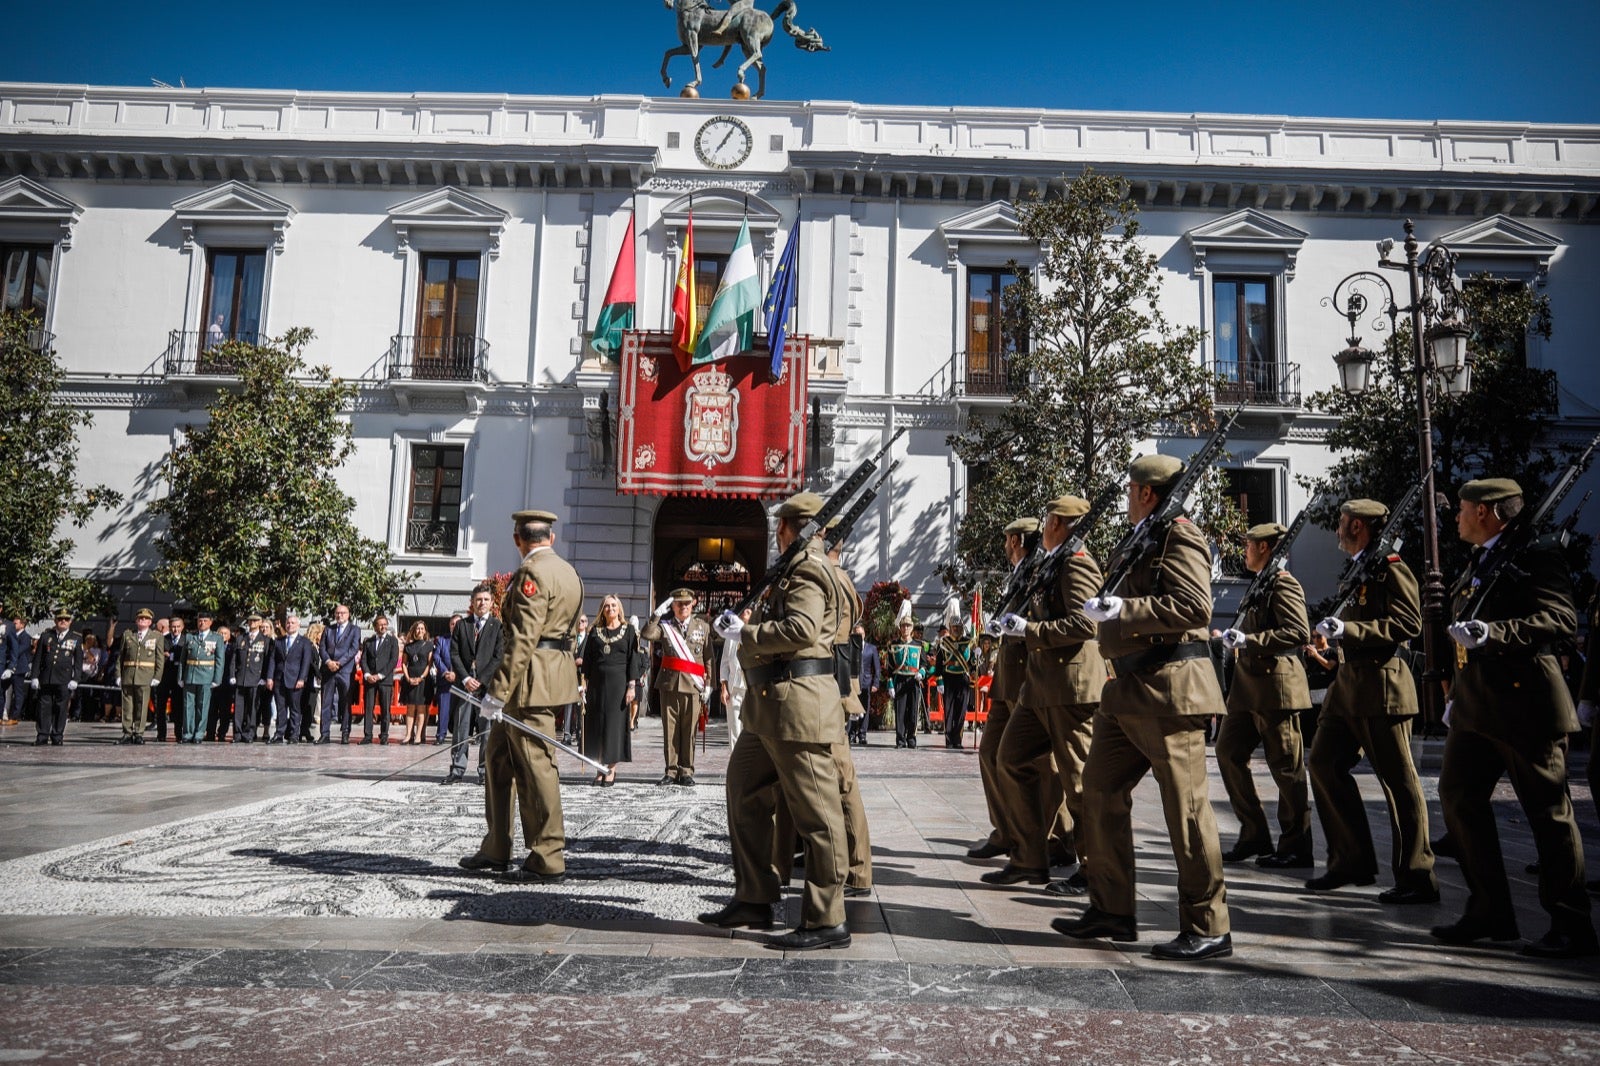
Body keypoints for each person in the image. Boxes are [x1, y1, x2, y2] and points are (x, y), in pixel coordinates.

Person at [1059, 454, 1232, 961]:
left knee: (1187, 810)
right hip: (1129, 690)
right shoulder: (1145, 538)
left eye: (1132, 490)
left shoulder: (1179, 535)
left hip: (1172, 689)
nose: (1127, 498)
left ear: (1148, 493)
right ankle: (1112, 907)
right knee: (1099, 789)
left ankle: (1209, 925)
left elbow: (1195, 605)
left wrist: (1123, 609)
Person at [1433, 478, 1597, 958]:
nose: (1458, 517)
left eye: (1463, 509)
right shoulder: (1482, 559)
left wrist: (1493, 632)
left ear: (1485, 512)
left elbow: (1560, 618)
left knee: (1549, 815)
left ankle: (1571, 925)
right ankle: (1490, 910)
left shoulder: (1535, 555)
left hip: (1527, 705)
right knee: (1458, 798)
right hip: (1477, 707)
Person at [700, 490, 851, 951]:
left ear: (794, 527)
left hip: (798, 709)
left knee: (817, 815)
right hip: (771, 709)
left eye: (780, 525)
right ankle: (755, 895)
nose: (776, 533)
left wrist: (744, 633)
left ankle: (827, 918)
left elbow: (802, 631)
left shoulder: (808, 568)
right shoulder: (791, 568)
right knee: (743, 787)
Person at [1307, 498, 1439, 905]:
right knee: (1324, 764)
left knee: (1399, 782)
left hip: (1382, 687)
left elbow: (1408, 623)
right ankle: (1351, 859)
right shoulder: (1363, 566)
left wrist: (1351, 629)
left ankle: (1418, 875)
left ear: (1359, 526)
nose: (1337, 530)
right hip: (1348, 688)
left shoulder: (1391, 567)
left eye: (1343, 523)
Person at [987, 495, 1105, 894]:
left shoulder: (1077, 564)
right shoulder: (1052, 563)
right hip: (1040, 688)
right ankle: (1028, 857)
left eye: (1049, 520)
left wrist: (1029, 631)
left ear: (1059, 524)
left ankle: (1094, 869)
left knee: (1077, 783)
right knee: (1008, 758)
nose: (1044, 528)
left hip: (1070, 688)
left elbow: (1085, 624)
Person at [459, 508, 583, 883]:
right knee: (498, 759)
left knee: (535, 766)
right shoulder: (568, 572)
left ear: (518, 539)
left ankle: (548, 854)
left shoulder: (531, 573)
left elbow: (524, 639)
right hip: (546, 677)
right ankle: (497, 845)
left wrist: (497, 692)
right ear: (551, 538)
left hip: (527, 684)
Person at [1215, 523, 1315, 870]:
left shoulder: (1283, 583)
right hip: (1248, 689)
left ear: (1266, 548)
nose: (1245, 550)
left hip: (1276, 687)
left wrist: (1249, 641)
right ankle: (1254, 832)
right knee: (1228, 752)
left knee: (1286, 768)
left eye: (1250, 545)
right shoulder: (1261, 583)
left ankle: (1296, 845)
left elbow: (1298, 632)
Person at [640, 589, 713, 786]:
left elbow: (708, 658)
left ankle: (686, 770)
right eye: (679, 604)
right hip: (670, 684)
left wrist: (709, 686)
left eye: (687, 603)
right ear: (672, 606)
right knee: (670, 730)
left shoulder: (702, 627)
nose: (683, 607)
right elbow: (646, 634)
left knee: (689, 731)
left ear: (693, 604)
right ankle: (671, 771)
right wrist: (656, 614)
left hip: (693, 686)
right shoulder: (665, 627)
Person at [446, 586, 503, 785]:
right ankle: (457, 768)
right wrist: (465, 679)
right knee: (461, 727)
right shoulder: (462, 625)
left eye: (486, 599)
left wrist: (482, 680)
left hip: (487, 686)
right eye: (478, 599)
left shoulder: (497, 626)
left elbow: (498, 657)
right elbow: (454, 653)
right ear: (473, 601)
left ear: (492, 603)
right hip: (465, 685)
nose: (482, 603)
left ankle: (485, 771)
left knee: (486, 730)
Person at [579, 595, 637, 784]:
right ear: (602, 610)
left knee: (613, 727)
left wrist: (631, 686)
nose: (610, 608)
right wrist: (583, 685)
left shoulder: (628, 631)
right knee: (597, 727)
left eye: (613, 605)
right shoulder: (595, 631)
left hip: (618, 686)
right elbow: (587, 660)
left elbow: (633, 660)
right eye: (606, 606)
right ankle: (599, 768)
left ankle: (610, 769)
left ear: (619, 609)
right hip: (596, 685)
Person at [29, 609, 83, 745]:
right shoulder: (47, 636)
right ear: (55, 621)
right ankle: (42, 735)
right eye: (60, 619)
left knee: (61, 708)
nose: (63, 622)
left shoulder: (75, 637)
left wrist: (76, 679)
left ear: (70, 621)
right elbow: (38, 658)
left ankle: (57, 736)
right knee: (43, 708)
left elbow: (78, 662)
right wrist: (34, 676)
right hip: (47, 678)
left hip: (64, 679)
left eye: (66, 619)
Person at [117, 608, 163, 745]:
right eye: (140, 619)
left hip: (145, 675)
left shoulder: (156, 636)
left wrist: (157, 676)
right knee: (127, 706)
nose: (142, 621)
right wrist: (118, 674)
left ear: (150, 622)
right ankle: (127, 732)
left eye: (146, 619)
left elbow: (159, 658)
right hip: (128, 674)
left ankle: (138, 732)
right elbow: (120, 657)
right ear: (136, 621)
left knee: (142, 705)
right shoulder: (128, 635)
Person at [269, 614, 315, 743]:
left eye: (293, 623)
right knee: (280, 708)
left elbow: (306, 662)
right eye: (288, 623)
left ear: (298, 625)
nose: (290, 625)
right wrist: (270, 677)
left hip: (295, 680)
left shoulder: (305, 642)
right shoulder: (279, 641)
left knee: (295, 709)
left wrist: (302, 679)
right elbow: (273, 660)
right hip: (279, 679)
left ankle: (294, 735)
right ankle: (279, 734)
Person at [317, 605, 360, 744]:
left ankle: (345, 732)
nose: (339, 615)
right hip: (329, 670)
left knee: (345, 702)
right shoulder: (328, 629)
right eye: (337, 613)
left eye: (343, 613)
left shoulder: (355, 630)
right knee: (326, 702)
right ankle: (324, 733)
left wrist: (339, 663)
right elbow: (322, 647)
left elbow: (353, 649)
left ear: (348, 614)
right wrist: (328, 661)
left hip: (345, 670)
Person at [179, 611, 223, 744]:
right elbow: (183, 659)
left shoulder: (216, 638)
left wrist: (217, 679)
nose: (202, 623)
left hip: (206, 675)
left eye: (205, 621)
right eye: (200, 621)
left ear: (210, 622)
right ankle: (187, 733)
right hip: (190, 675)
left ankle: (199, 733)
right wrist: (180, 677)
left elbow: (220, 660)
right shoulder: (189, 637)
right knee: (188, 706)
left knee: (202, 706)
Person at [231, 614, 274, 743]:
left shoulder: (265, 640)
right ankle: (237, 733)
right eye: (250, 621)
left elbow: (267, 660)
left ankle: (250, 732)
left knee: (252, 708)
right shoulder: (241, 638)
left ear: (261, 622)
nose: (252, 623)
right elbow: (234, 659)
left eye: (255, 621)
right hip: (241, 677)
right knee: (239, 708)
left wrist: (265, 677)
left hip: (255, 678)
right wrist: (232, 675)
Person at [934, 621, 976, 749]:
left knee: (961, 711)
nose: (956, 629)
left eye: (958, 627)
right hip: (948, 678)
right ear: (950, 628)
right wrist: (939, 680)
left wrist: (976, 659)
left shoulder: (967, 643)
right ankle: (949, 740)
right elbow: (939, 664)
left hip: (963, 679)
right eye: (954, 627)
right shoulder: (943, 643)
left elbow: (972, 663)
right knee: (949, 710)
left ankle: (958, 740)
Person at [359, 614, 399, 745]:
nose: (383, 627)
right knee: (369, 707)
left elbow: (393, 660)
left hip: (384, 680)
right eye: (380, 624)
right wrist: (367, 674)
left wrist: (380, 675)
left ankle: (384, 735)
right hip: (370, 680)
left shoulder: (392, 641)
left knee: (385, 708)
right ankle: (368, 735)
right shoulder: (369, 641)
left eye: (385, 624)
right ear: (375, 626)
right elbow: (363, 659)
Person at [885, 619, 924, 749]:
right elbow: (890, 667)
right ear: (900, 628)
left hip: (913, 680)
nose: (905, 628)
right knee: (900, 711)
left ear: (912, 628)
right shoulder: (894, 645)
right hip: (900, 679)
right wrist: (890, 684)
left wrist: (922, 672)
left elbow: (924, 663)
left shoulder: (919, 645)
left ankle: (911, 739)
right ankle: (900, 740)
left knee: (913, 711)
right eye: (903, 626)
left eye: (908, 626)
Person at [399, 620, 434, 745]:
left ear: (425, 631)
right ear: (414, 631)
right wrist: (408, 678)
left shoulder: (429, 645)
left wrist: (421, 677)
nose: (420, 631)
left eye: (422, 629)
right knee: (410, 708)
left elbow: (429, 664)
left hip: (423, 679)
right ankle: (408, 734)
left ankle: (419, 735)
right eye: (418, 629)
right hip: (410, 678)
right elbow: (404, 663)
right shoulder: (408, 646)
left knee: (421, 708)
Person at [153, 616, 184, 742]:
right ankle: (161, 734)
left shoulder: (186, 640)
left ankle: (179, 733)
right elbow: (158, 655)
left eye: (178, 626)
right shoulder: (162, 639)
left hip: (179, 678)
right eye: (173, 627)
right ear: (169, 627)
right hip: (164, 677)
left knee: (178, 707)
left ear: (182, 627)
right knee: (161, 706)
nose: (175, 629)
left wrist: (170, 654)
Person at [433, 613, 460, 744]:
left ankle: (460, 736)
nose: (454, 626)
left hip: (461, 681)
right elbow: (436, 657)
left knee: (460, 711)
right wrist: (445, 672)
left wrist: (457, 673)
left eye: (457, 624)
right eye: (452, 623)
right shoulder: (442, 640)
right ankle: (441, 735)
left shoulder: (466, 640)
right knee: (443, 710)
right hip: (445, 680)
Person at [206, 624, 235, 741]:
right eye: (220, 633)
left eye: (225, 634)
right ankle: (210, 732)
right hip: (212, 683)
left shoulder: (232, 648)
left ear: (229, 636)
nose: (222, 636)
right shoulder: (210, 646)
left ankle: (222, 732)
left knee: (225, 711)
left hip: (226, 684)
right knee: (211, 710)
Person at [2, 613, 32, 723]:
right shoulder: (10, 635)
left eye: (16, 623)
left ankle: (15, 716)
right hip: (8, 667)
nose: (13, 625)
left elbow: (18, 650)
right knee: (3, 690)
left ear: (22, 625)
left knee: (18, 692)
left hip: (19, 668)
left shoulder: (25, 637)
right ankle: (3, 713)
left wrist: (7, 652)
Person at [851, 623, 878, 745]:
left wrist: (875, 683)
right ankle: (851, 734)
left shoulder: (871, 648)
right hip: (853, 682)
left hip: (866, 682)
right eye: (856, 634)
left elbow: (877, 668)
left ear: (864, 634)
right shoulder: (850, 647)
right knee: (851, 709)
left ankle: (862, 734)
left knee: (865, 709)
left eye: (861, 634)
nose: (859, 636)